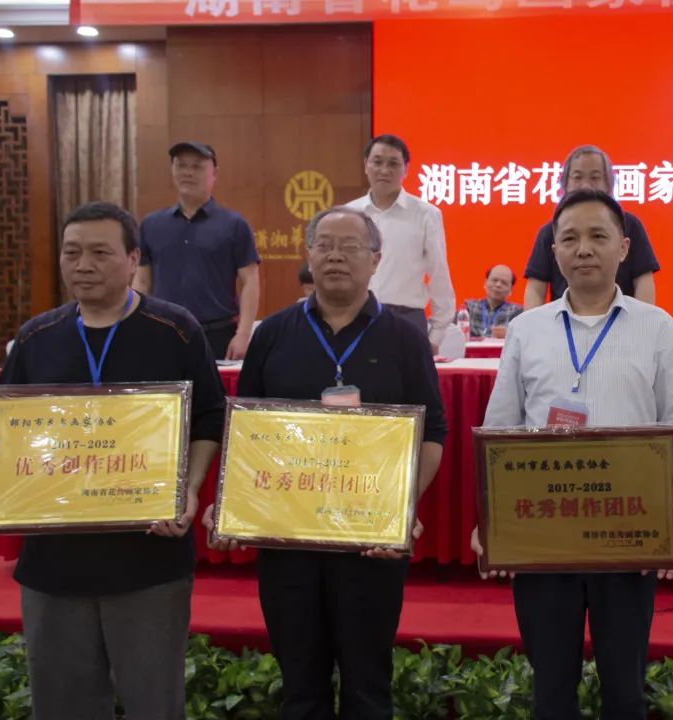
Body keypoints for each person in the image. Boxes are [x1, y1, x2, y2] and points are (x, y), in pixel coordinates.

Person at [0, 201, 225, 720]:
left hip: (148, 559)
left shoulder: (176, 330)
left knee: (155, 704)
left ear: (133, 260)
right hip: (54, 563)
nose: (83, 265)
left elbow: (210, 419)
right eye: (72, 252)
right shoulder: (36, 337)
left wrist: (187, 490)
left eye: (100, 253)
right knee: (62, 705)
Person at [203, 206, 446, 720]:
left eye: (350, 247)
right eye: (325, 245)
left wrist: (401, 505)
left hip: (369, 542)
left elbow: (433, 433)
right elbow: (246, 429)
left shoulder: (405, 337)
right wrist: (233, 504)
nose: (336, 256)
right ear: (308, 255)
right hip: (289, 543)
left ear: (375, 259)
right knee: (301, 686)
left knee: (368, 685)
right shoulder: (273, 333)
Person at [473, 189, 673, 719]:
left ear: (624, 247)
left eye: (598, 236)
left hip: (628, 530)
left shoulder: (656, 325)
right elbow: (501, 427)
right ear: (554, 251)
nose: (583, 249)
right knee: (551, 688)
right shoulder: (526, 329)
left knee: (625, 689)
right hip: (543, 533)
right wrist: (493, 519)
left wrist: (672, 514)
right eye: (570, 238)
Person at [134, 141, 260, 360]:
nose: (188, 173)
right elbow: (142, 281)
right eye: (181, 165)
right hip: (162, 332)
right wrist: (135, 324)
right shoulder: (151, 224)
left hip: (217, 334)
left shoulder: (234, 225)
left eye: (197, 166)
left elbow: (250, 281)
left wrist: (243, 334)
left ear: (215, 173)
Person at [347, 134, 456, 353]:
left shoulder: (426, 214)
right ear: (366, 165)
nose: (384, 170)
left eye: (393, 163)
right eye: (377, 162)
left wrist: (436, 334)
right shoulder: (348, 214)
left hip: (407, 319)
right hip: (355, 317)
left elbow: (438, 274)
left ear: (406, 169)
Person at [523, 145, 660, 309]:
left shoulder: (629, 224)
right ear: (565, 183)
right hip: (563, 321)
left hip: (621, 319)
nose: (586, 185)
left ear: (608, 183)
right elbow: (535, 289)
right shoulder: (550, 230)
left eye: (595, 178)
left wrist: (642, 320)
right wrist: (533, 323)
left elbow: (643, 280)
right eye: (577, 177)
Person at [466, 264, 523, 338]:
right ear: (485, 282)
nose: (498, 285)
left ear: (511, 289)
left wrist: (508, 334)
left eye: (504, 283)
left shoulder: (517, 312)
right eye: (494, 280)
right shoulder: (468, 307)